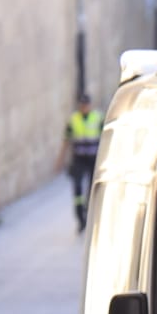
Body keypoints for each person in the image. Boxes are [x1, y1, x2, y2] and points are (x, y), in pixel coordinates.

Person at [56, 94, 103, 233]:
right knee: (77, 186)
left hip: (93, 158)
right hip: (79, 158)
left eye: (86, 105)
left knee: (91, 187)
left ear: (90, 105)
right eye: (82, 105)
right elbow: (66, 140)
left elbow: (106, 137)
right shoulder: (73, 120)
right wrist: (61, 159)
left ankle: (89, 213)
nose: (84, 108)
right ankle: (80, 217)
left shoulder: (98, 117)